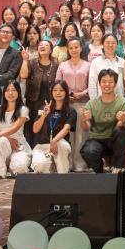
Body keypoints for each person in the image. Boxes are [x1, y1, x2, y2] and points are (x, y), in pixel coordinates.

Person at [79, 69, 125, 173]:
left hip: (114, 140)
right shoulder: (91, 103)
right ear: (99, 83)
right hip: (96, 139)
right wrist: (83, 120)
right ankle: (100, 169)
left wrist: (123, 120)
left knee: (121, 132)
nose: (107, 84)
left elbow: (121, 126)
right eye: (104, 81)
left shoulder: (123, 102)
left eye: (110, 82)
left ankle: (117, 167)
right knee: (87, 151)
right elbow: (86, 128)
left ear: (115, 84)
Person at [56, 38, 91, 172]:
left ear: (81, 48)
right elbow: (57, 84)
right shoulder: (62, 65)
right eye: (71, 48)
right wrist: (67, 95)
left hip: (83, 104)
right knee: (68, 134)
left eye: (76, 47)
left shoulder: (88, 65)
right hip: (67, 105)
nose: (74, 50)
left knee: (82, 134)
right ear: (68, 49)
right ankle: (67, 162)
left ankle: (80, 163)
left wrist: (82, 93)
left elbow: (92, 85)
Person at [0, 81, 31, 178]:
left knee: (20, 169)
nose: (10, 93)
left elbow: (15, 128)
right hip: (2, 143)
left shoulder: (23, 110)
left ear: (18, 92)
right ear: (4, 93)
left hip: (18, 145)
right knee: (2, 140)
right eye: (7, 90)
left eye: (13, 90)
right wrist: (8, 139)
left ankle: (10, 165)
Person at [29, 80, 74, 173]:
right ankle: (52, 164)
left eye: (61, 90)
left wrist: (55, 140)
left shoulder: (71, 111)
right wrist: (44, 115)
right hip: (43, 146)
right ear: (51, 92)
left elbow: (66, 129)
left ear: (66, 92)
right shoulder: (44, 108)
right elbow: (35, 129)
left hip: (59, 146)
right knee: (40, 167)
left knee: (61, 144)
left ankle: (62, 174)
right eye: (55, 90)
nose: (58, 93)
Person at [22, 39, 59, 145]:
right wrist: (25, 60)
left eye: (46, 45)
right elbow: (23, 75)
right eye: (40, 45)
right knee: (31, 128)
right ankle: (30, 150)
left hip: (49, 102)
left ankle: (45, 151)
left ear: (51, 50)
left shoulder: (56, 64)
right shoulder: (31, 62)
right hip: (33, 102)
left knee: (46, 129)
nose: (42, 46)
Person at [88, 33, 125, 100]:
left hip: (119, 100)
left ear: (117, 45)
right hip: (101, 102)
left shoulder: (122, 62)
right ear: (102, 45)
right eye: (107, 43)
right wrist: (94, 102)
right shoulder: (95, 62)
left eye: (113, 43)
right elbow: (92, 85)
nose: (110, 45)